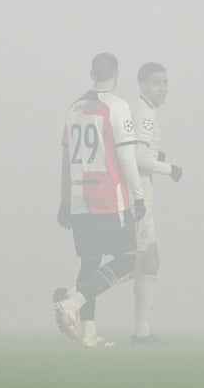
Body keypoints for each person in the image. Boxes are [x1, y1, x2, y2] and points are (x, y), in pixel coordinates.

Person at [53, 52, 146, 348]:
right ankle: (74, 301)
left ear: (90, 72)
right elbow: (127, 156)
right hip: (108, 196)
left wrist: (65, 202)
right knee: (132, 258)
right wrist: (138, 195)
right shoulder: (117, 107)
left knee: (90, 263)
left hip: (81, 197)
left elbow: (66, 159)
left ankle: (89, 332)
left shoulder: (74, 108)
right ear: (117, 73)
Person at [128, 62, 183, 345]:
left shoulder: (138, 109)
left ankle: (142, 332)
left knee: (150, 260)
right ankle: (75, 297)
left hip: (138, 192)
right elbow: (138, 157)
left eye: (165, 82)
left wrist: (156, 156)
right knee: (134, 262)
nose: (162, 88)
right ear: (142, 84)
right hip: (138, 195)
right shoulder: (146, 114)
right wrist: (170, 168)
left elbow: (139, 150)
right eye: (155, 83)